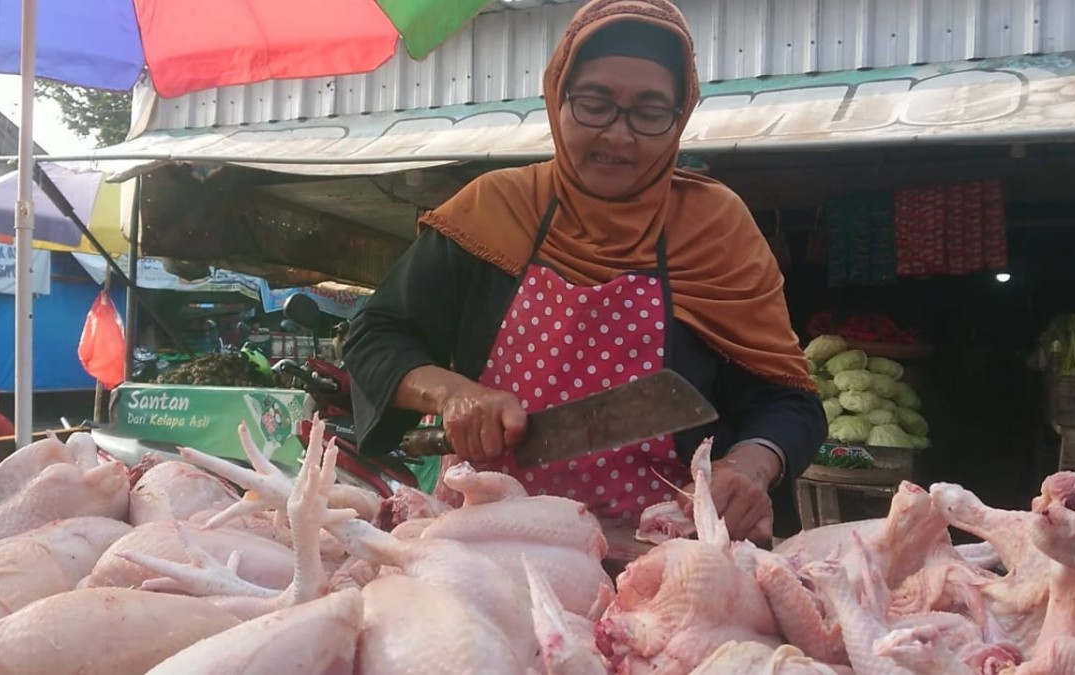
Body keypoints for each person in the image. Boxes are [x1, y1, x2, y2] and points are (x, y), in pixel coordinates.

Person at [343, 0, 826, 545]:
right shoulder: (494, 211)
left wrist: (749, 467)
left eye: (649, 111)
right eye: (594, 104)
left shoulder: (715, 228)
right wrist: (449, 392)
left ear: (680, 116)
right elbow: (375, 337)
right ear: (557, 99)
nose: (619, 136)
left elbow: (788, 400)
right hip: (490, 538)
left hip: (669, 552)